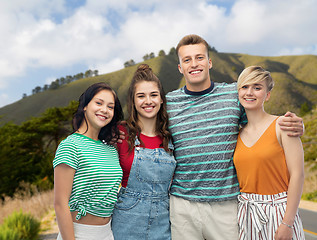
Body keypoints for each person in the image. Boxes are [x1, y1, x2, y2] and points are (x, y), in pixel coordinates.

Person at [165, 34, 304, 240]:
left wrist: (296, 125)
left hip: (226, 205)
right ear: (180, 67)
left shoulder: (234, 94)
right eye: (187, 60)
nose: (194, 64)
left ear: (209, 62)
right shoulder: (169, 102)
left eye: (200, 57)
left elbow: (260, 119)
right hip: (183, 205)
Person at [234, 66, 305, 240]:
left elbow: (298, 175)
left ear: (267, 95)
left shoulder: (283, 125)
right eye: (244, 87)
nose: (249, 92)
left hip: (280, 212)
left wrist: (287, 223)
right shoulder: (235, 134)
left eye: (257, 88)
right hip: (247, 214)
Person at [111, 64, 176, 240]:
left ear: (162, 99)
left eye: (153, 95)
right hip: (125, 222)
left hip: (163, 222)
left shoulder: (171, 137)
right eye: (141, 96)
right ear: (133, 100)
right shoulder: (119, 133)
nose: (148, 101)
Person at [53, 82, 124, 240]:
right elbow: (60, 204)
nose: (104, 110)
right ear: (85, 106)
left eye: (110, 107)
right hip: (79, 233)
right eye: (98, 103)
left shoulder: (111, 149)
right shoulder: (70, 146)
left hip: (107, 233)